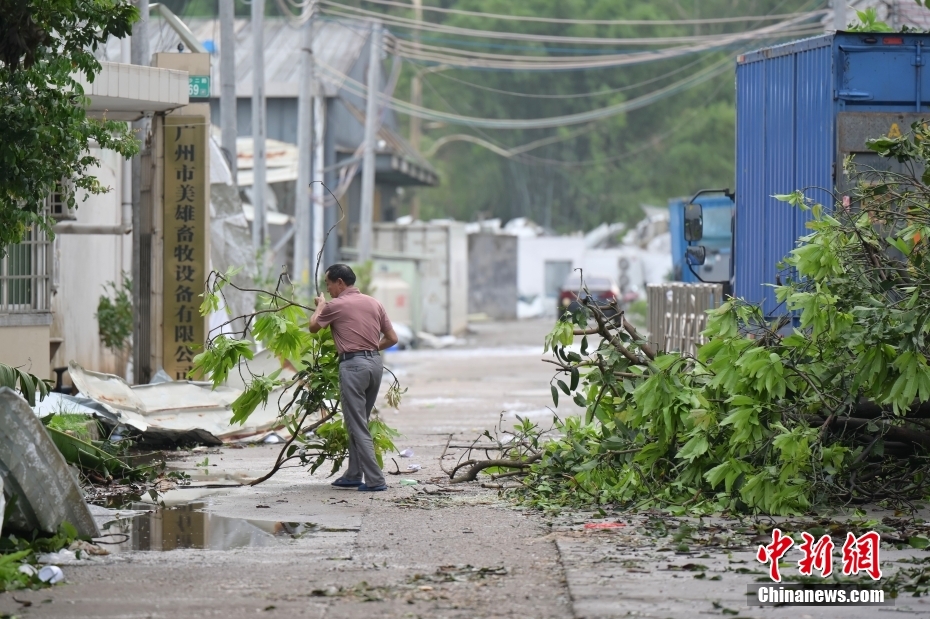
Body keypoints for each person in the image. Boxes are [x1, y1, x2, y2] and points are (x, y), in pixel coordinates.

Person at [309, 264, 398, 491]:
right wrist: (368, 350)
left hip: (353, 367)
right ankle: (353, 474)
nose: (327, 289)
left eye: (328, 283)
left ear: (340, 282)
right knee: (358, 421)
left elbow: (313, 328)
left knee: (357, 425)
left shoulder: (335, 305)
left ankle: (375, 480)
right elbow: (392, 338)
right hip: (375, 365)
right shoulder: (374, 302)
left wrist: (320, 306)